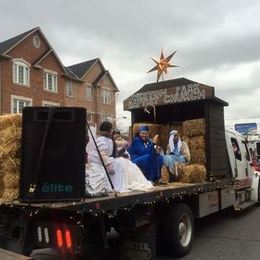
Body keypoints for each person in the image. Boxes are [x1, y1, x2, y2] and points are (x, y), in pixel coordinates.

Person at [87, 121, 153, 193]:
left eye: (146, 133)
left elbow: (114, 151)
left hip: (107, 160)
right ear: (108, 130)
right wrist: (109, 166)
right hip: (100, 162)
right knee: (121, 162)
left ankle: (131, 181)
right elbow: (103, 154)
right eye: (112, 129)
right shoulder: (102, 139)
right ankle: (122, 182)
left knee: (125, 162)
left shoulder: (108, 139)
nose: (113, 131)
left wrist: (123, 150)